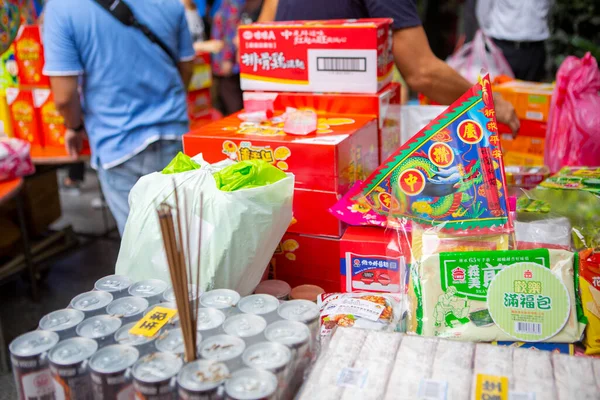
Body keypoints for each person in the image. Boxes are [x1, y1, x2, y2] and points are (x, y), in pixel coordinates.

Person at [42, 0, 195, 235]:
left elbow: (64, 96)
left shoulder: (62, 7)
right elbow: (186, 67)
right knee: (187, 238)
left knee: (141, 249)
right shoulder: (170, 2)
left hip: (117, 143)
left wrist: (74, 126)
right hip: (174, 134)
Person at [259, 0, 520, 134]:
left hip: (283, 129)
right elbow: (423, 73)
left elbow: (258, 38)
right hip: (347, 136)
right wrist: (491, 103)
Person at [476, 0, 552, 82]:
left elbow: (549, 9)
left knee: (531, 92)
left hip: (535, 48)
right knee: (499, 91)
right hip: (503, 47)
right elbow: (483, 12)